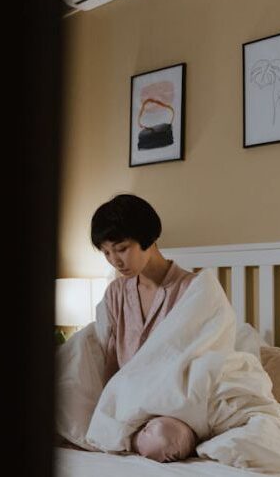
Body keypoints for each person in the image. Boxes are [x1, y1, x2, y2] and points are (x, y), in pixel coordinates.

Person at [90, 193, 198, 462]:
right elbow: (112, 358)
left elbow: (203, 359)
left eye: (122, 248)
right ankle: (124, 433)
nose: (115, 260)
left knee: (162, 440)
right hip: (128, 404)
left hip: (174, 408)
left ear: (147, 238)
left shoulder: (193, 289)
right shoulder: (116, 292)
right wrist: (107, 406)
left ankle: (128, 437)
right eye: (106, 253)